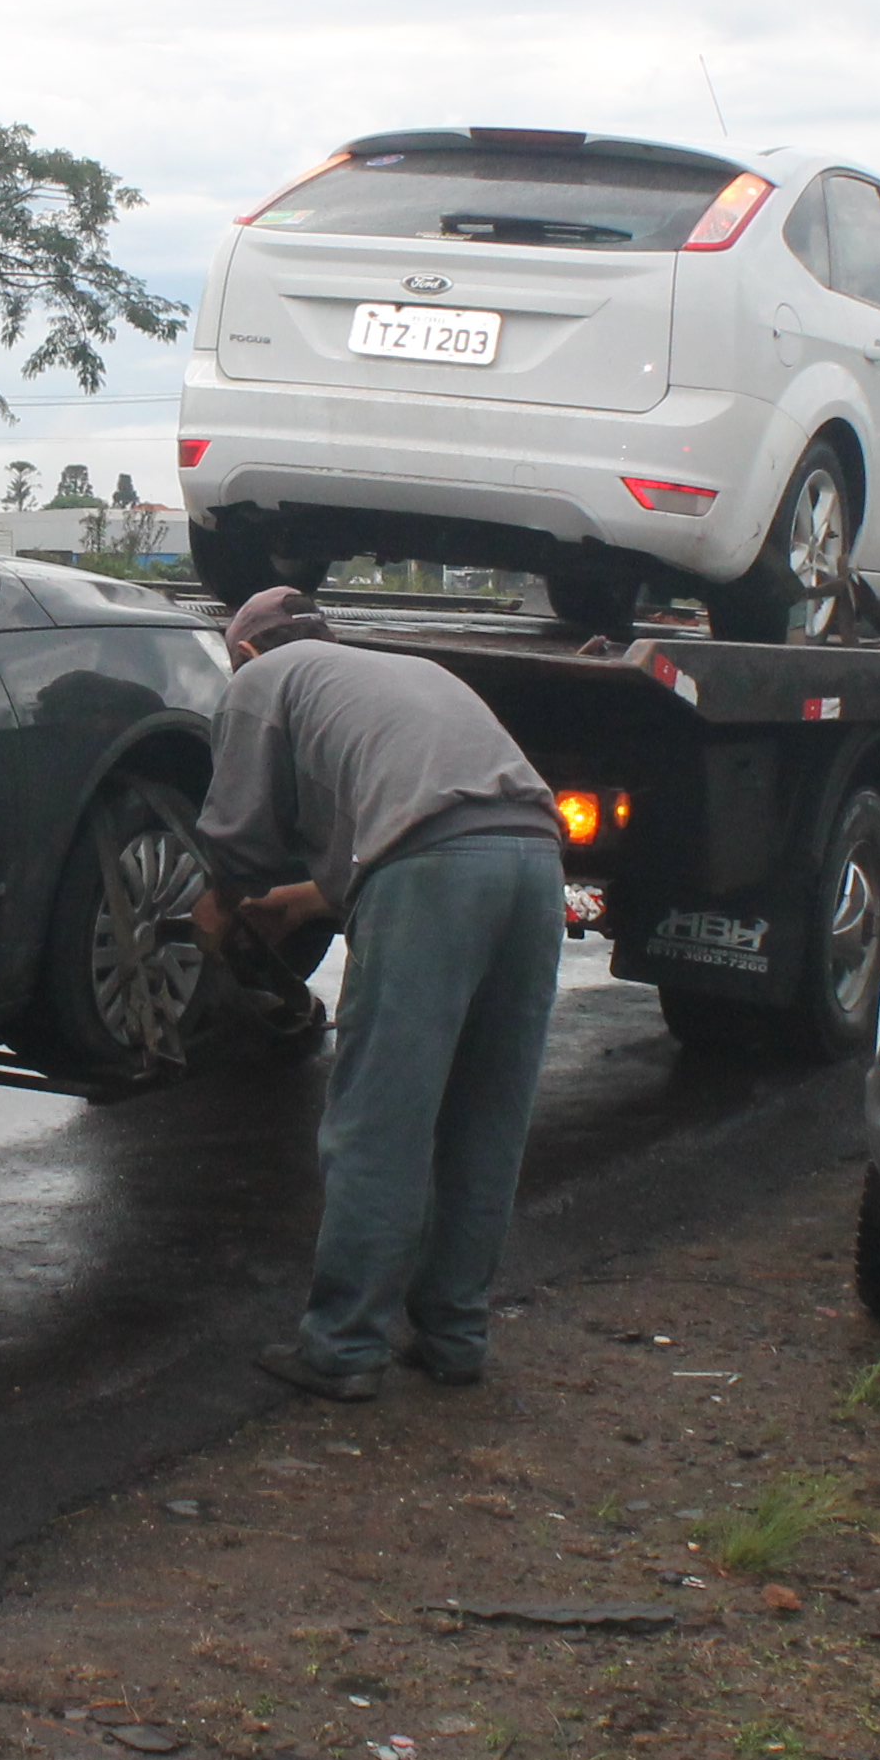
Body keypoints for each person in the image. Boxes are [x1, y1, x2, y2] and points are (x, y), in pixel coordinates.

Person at [195, 583, 566, 1400]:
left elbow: (241, 836)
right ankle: (456, 1337)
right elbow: (429, 826)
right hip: (534, 865)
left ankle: (343, 1349)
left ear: (247, 654)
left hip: (434, 871)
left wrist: (209, 916)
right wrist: (298, 900)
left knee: (380, 1123)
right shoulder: (397, 673)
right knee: (486, 1117)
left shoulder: (263, 678)